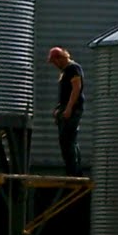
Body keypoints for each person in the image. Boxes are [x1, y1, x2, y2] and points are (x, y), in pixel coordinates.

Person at [47, 46, 84, 176]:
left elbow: (76, 89)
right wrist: (59, 109)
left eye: (54, 61)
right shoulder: (65, 71)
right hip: (65, 108)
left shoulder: (73, 68)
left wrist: (69, 108)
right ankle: (72, 170)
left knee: (68, 140)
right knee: (66, 140)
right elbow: (64, 93)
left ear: (60, 58)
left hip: (72, 109)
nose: (54, 65)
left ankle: (74, 172)